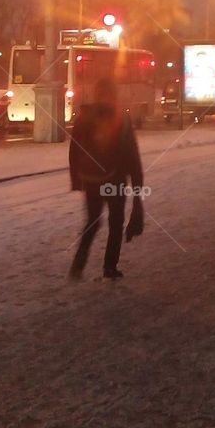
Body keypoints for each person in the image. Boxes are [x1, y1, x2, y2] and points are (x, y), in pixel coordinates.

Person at [68, 77, 144, 281]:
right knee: (116, 222)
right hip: (115, 180)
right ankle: (110, 268)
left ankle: (78, 265)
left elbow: (74, 150)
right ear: (114, 95)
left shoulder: (83, 117)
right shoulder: (122, 119)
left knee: (92, 221)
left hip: (91, 180)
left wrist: (76, 178)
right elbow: (133, 157)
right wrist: (138, 193)